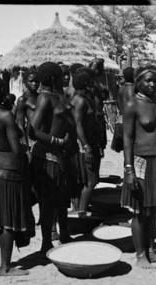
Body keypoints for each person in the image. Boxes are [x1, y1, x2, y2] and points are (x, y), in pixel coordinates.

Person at [121, 65, 156, 268]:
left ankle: (151, 249)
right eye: (148, 80)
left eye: (155, 80)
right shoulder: (133, 105)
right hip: (141, 161)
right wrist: (129, 168)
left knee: (154, 208)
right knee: (140, 210)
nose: (152, 84)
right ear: (139, 82)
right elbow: (127, 137)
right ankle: (140, 255)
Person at [0, 76, 33, 276]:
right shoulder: (5, 115)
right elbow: (16, 149)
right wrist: (25, 145)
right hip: (8, 170)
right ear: (1, 91)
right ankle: (5, 267)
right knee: (8, 219)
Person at [29, 62, 73, 252]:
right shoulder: (45, 98)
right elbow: (32, 130)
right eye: (61, 76)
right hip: (47, 157)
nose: (65, 78)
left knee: (62, 199)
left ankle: (64, 234)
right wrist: (57, 141)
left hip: (60, 156)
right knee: (47, 202)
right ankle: (46, 243)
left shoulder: (59, 96)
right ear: (53, 78)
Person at [70, 68, 101, 215]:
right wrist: (87, 146)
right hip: (84, 146)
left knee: (88, 181)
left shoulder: (83, 99)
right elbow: (78, 125)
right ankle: (81, 213)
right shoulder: (80, 101)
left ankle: (81, 209)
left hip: (88, 143)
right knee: (91, 181)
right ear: (86, 84)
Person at [16, 69, 40, 153]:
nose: (34, 83)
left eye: (37, 81)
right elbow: (20, 125)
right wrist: (26, 150)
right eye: (31, 81)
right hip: (32, 140)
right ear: (25, 82)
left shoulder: (41, 97)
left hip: (44, 137)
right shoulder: (23, 100)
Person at [112, 67, 135, 152]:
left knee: (126, 148)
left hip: (121, 119)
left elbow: (118, 104)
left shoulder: (121, 89)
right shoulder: (133, 89)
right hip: (130, 121)